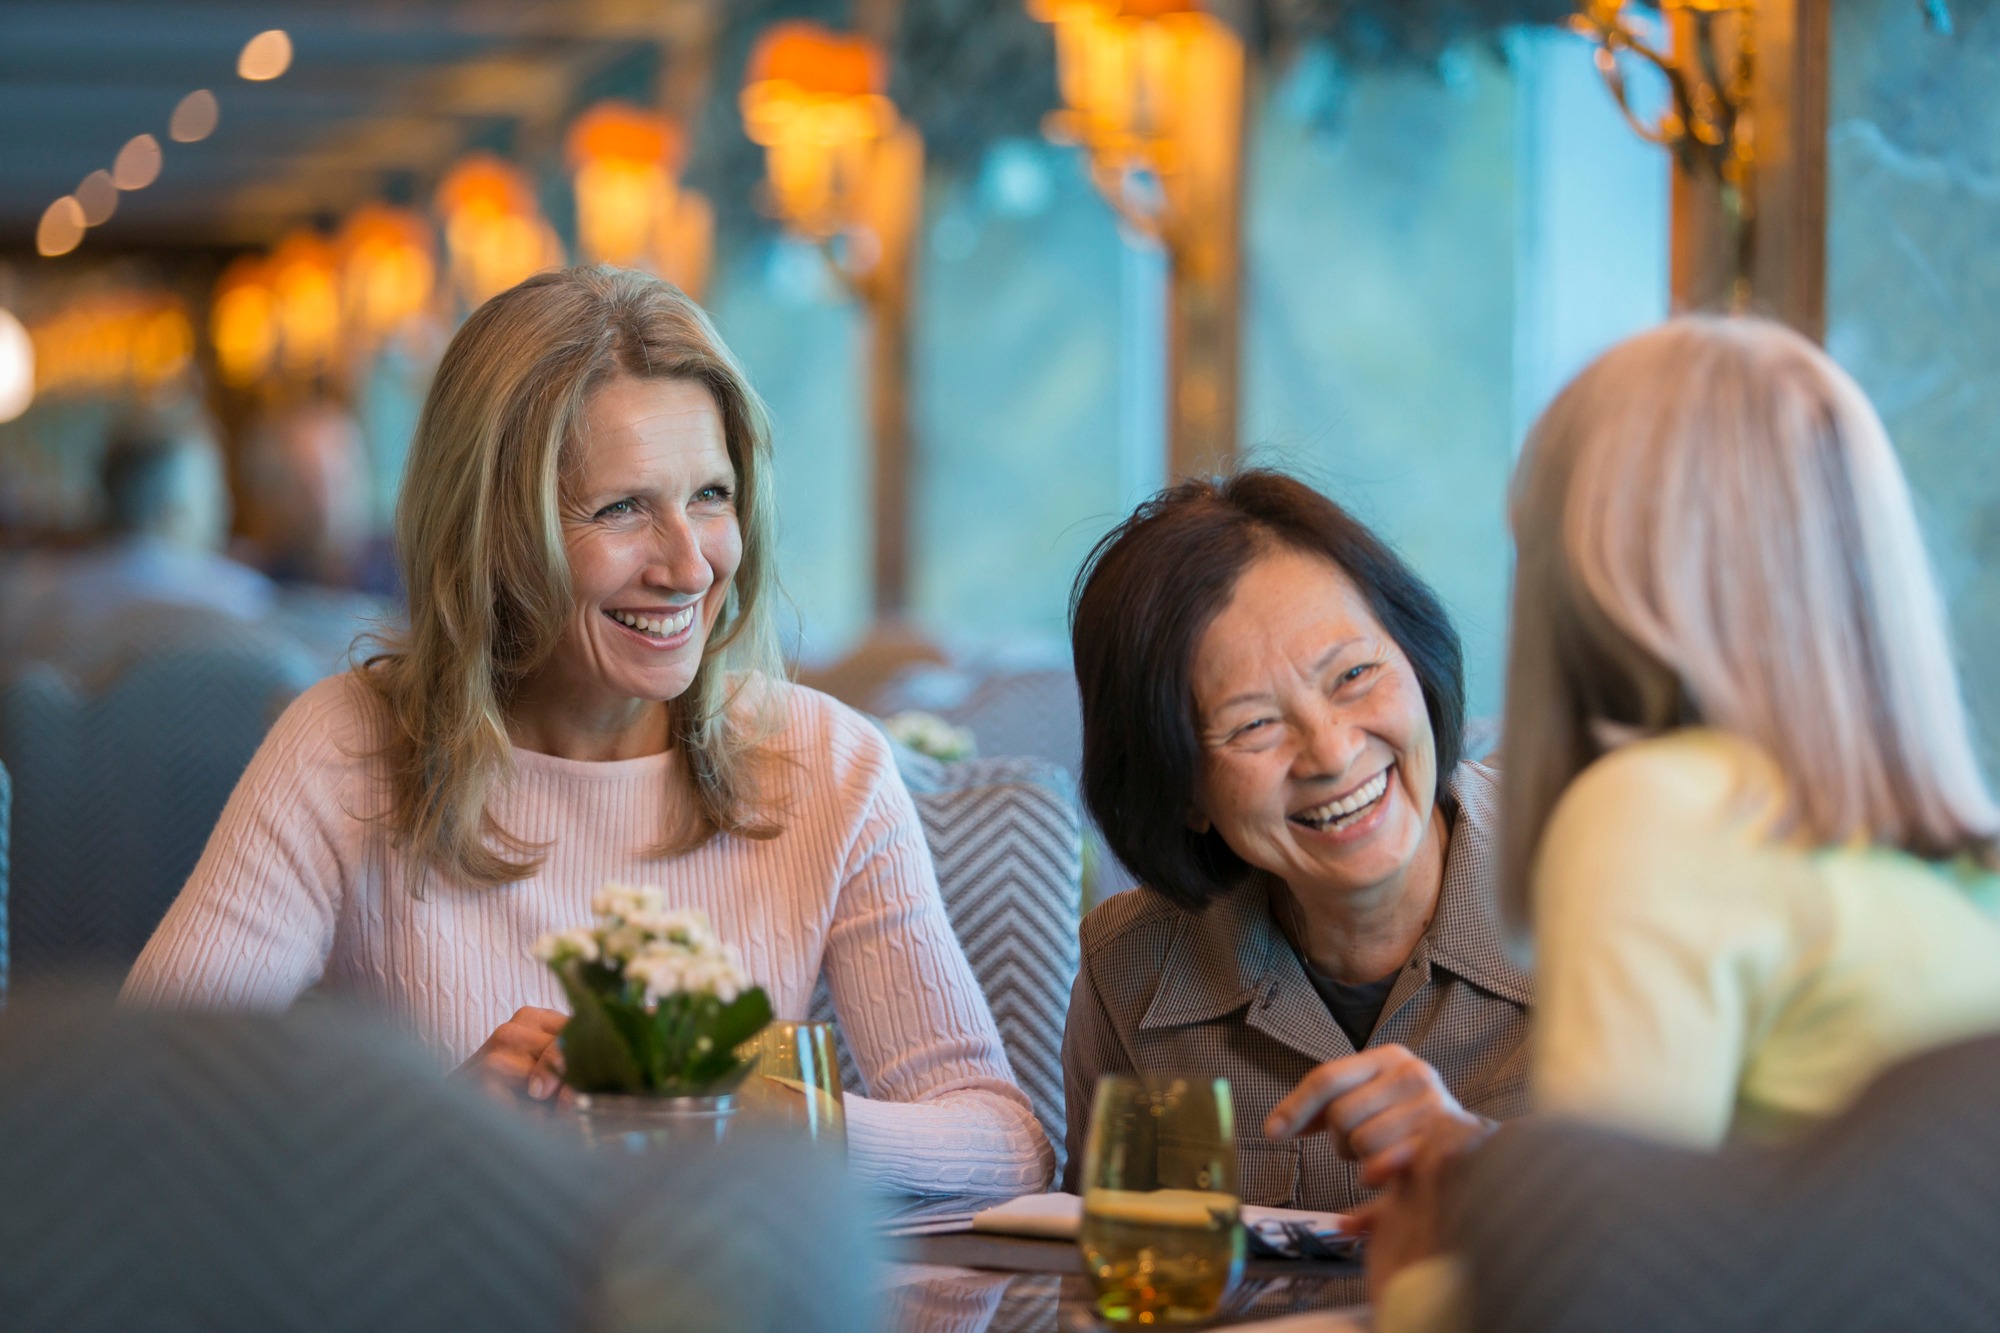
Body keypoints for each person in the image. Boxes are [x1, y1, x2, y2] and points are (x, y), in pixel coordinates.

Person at [123, 266, 1053, 1196]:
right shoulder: (347, 747)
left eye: (712, 496)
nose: (690, 564)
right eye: (621, 509)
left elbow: (1003, 1143)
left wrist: (746, 1108)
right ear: (493, 531)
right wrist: (432, 1126)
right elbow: (135, 1097)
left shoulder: (826, 762)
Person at [1363, 316, 2000, 1328]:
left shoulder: (1660, 810)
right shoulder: (1962, 880)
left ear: (1580, 572)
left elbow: (1601, 1299)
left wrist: (1411, 1287)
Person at [1061, 471, 1529, 1214]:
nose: (1333, 753)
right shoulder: (1130, 973)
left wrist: (1492, 1169)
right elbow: (1115, 1289)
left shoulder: (1604, 888)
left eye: (1354, 674)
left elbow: (1718, 1256)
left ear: (1418, 659)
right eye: (1252, 725)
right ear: (1180, 791)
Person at [2, 411, 275, 663]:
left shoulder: (32, 603)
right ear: (175, 508)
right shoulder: (245, 603)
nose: (224, 506)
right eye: (213, 492)